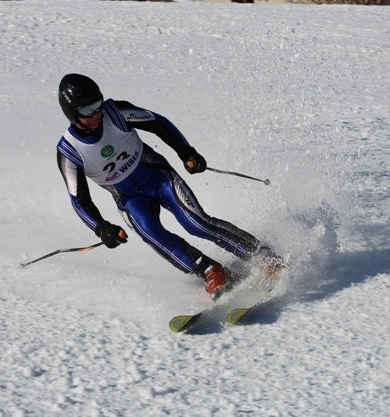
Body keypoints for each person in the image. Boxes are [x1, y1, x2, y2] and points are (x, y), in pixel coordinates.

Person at [56, 73, 282, 300]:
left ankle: (265, 258)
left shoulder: (115, 113)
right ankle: (212, 271)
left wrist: (186, 152)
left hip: (158, 177)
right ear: (72, 113)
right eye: (86, 111)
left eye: (97, 105)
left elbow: (158, 123)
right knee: (151, 234)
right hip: (130, 198)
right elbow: (79, 199)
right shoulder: (69, 151)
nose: (95, 114)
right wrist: (102, 228)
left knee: (197, 225)